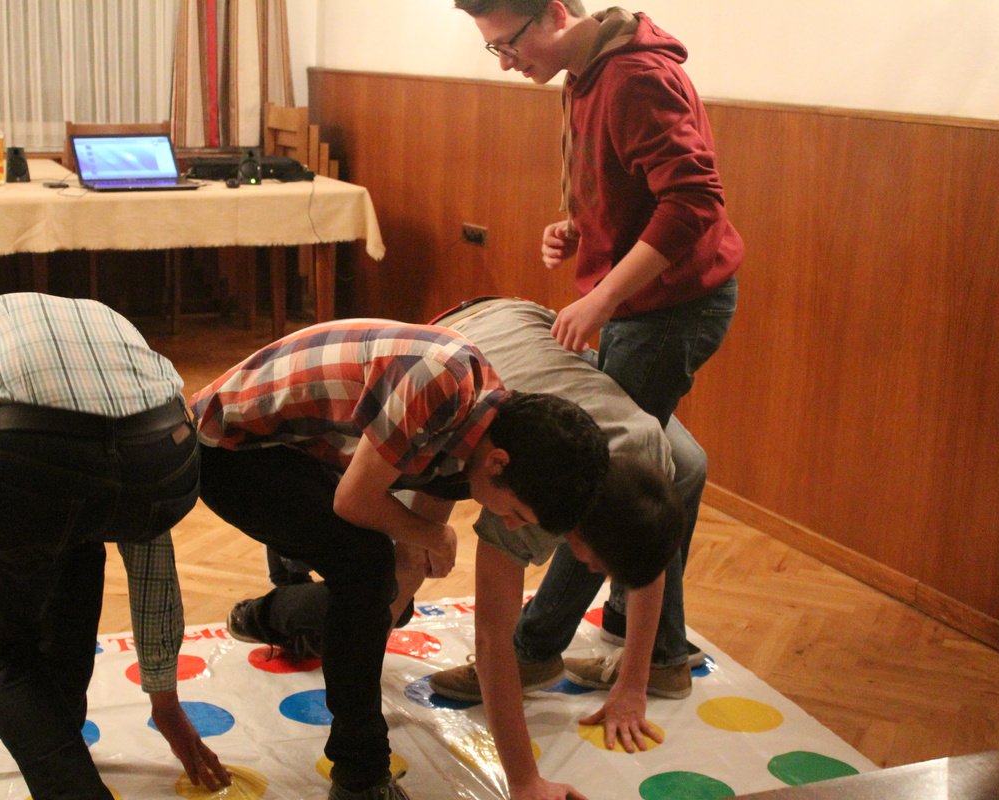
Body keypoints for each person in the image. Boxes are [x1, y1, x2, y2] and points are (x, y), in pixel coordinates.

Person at [216, 298, 698, 799]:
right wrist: (525, 781)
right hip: (260, 436)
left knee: (385, 585)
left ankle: (299, 603)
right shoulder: (516, 469)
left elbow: (644, 556)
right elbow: (489, 635)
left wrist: (633, 684)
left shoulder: (601, 458)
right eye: (595, 564)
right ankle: (284, 632)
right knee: (378, 576)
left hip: (400, 404)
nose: (590, 570)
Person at [454, 0, 741, 772]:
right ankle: (662, 647)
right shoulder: (583, 74)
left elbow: (695, 202)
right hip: (639, 303)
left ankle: (536, 648)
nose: (505, 62)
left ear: (554, 13)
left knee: (599, 476)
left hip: (670, 310)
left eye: (508, 44)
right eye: (493, 51)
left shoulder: (636, 76)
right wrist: (579, 230)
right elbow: (629, 188)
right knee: (672, 464)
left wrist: (605, 295)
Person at [0, 293, 230, 800]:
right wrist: (164, 704)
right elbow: (150, 560)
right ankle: (63, 734)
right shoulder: (103, 316)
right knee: (75, 522)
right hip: (168, 451)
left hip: (34, 446)